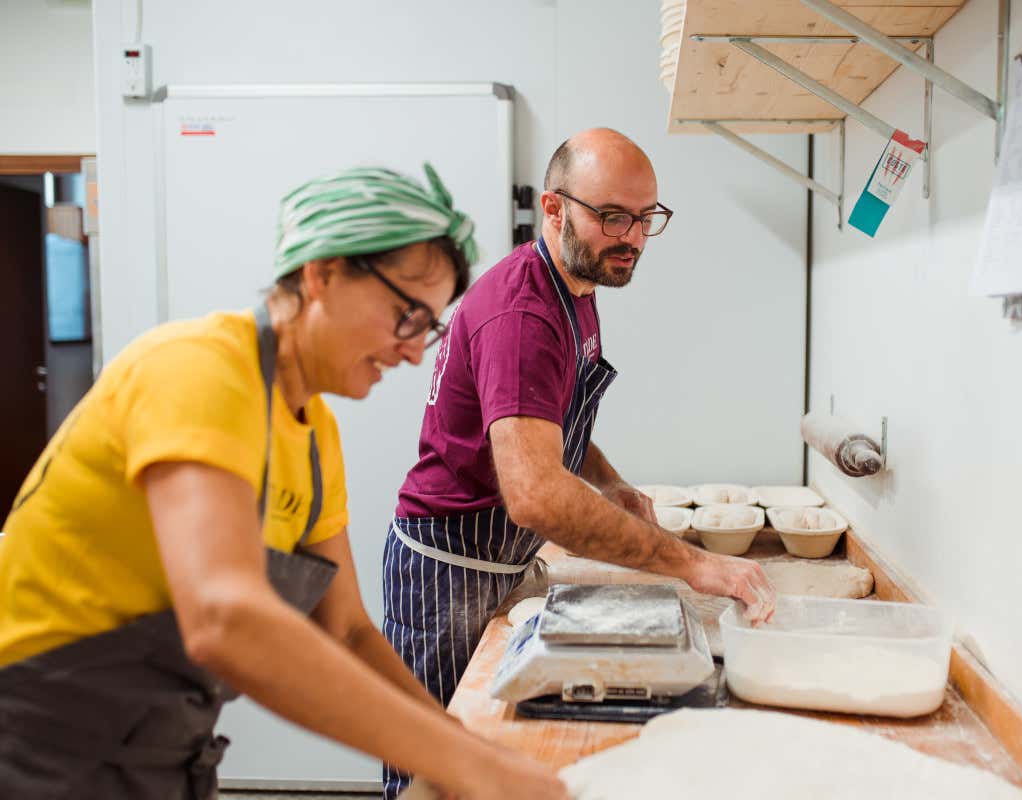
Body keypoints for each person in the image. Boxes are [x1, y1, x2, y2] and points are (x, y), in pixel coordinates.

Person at [0, 165, 567, 800]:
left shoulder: (313, 430)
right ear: (322, 273)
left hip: (154, 753)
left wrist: (462, 747)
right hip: (39, 747)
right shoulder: (199, 370)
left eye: (429, 327)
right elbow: (224, 618)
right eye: (407, 315)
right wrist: (467, 766)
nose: (415, 352)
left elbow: (347, 631)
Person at [381, 129, 776, 797]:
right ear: (554, 208)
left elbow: (547, 418)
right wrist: (695, 565)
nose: (633, 238)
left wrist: (608, 481)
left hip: (498, 561)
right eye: (613, 216)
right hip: (448, 575)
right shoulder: (524, 314)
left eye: (647, 217)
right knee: (431, 774)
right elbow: (535, 494)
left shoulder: (575, 290)